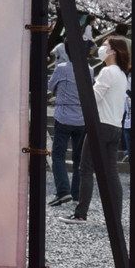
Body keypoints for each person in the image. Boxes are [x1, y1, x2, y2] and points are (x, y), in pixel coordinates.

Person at [71, 36, 129, 222]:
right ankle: (115, 216)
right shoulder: (121, 74)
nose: (101, 48)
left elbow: (93, 98)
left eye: (105, 46)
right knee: (111, 171)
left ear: (113, 51)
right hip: (115, 127)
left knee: (86, 169)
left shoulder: (106, 72)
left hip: (100, 125)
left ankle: (80, 213)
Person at [47, 43, 87, 207]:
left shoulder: (62, 68)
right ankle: (76, 193)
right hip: (81, 117)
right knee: (78, 158)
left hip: (63, 116)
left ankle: (63, 192)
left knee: (57, 156)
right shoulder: (89, 69)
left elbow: (50, 86)